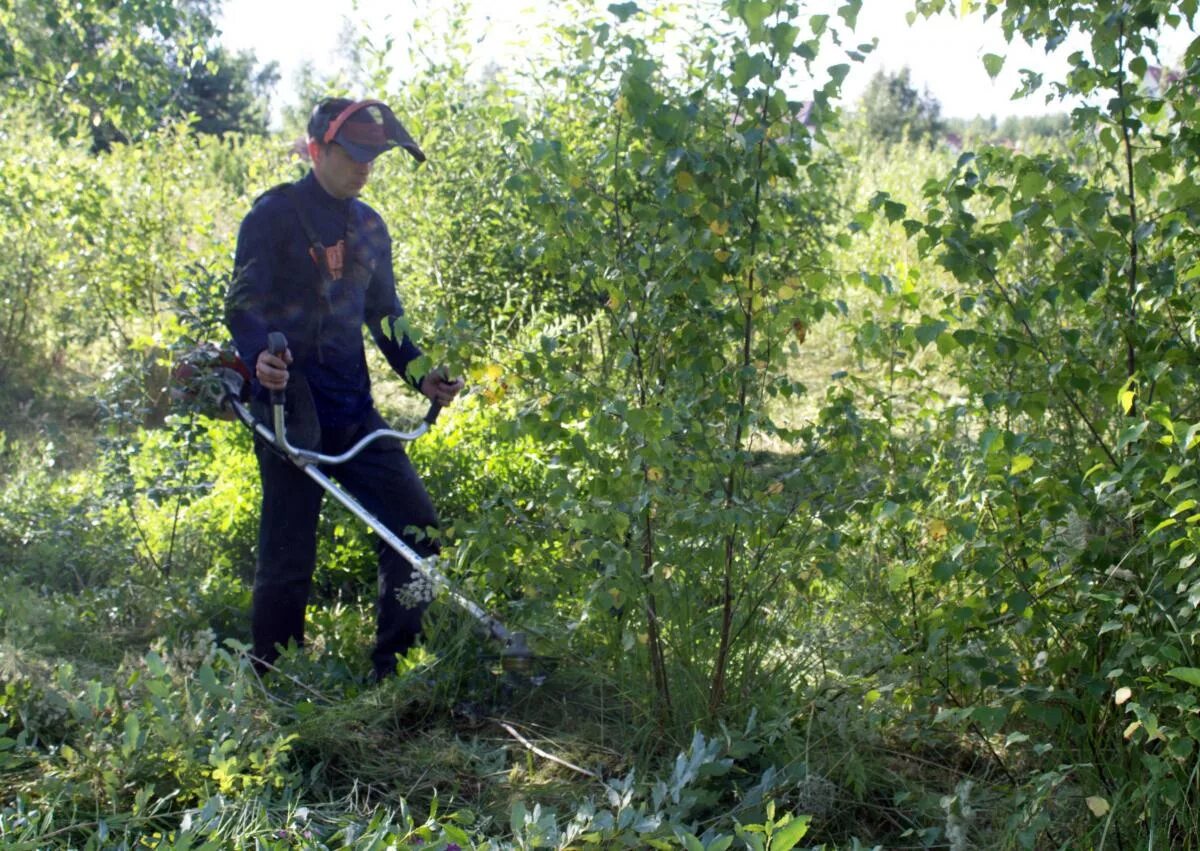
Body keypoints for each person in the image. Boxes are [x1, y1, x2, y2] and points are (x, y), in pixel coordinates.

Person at [225, 97, 464, 681]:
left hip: (354, 410)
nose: (365, 168)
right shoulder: (273, 216)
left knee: (417, 533)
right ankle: (275, 683)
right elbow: (242, 305)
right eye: (354, 155)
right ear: (316, 150)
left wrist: (421, 373)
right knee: (288, 557)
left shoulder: (369, 227)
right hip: (288, 409)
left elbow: (386, 316)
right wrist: (261, 359)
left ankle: (396, 671)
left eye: (374, 157)